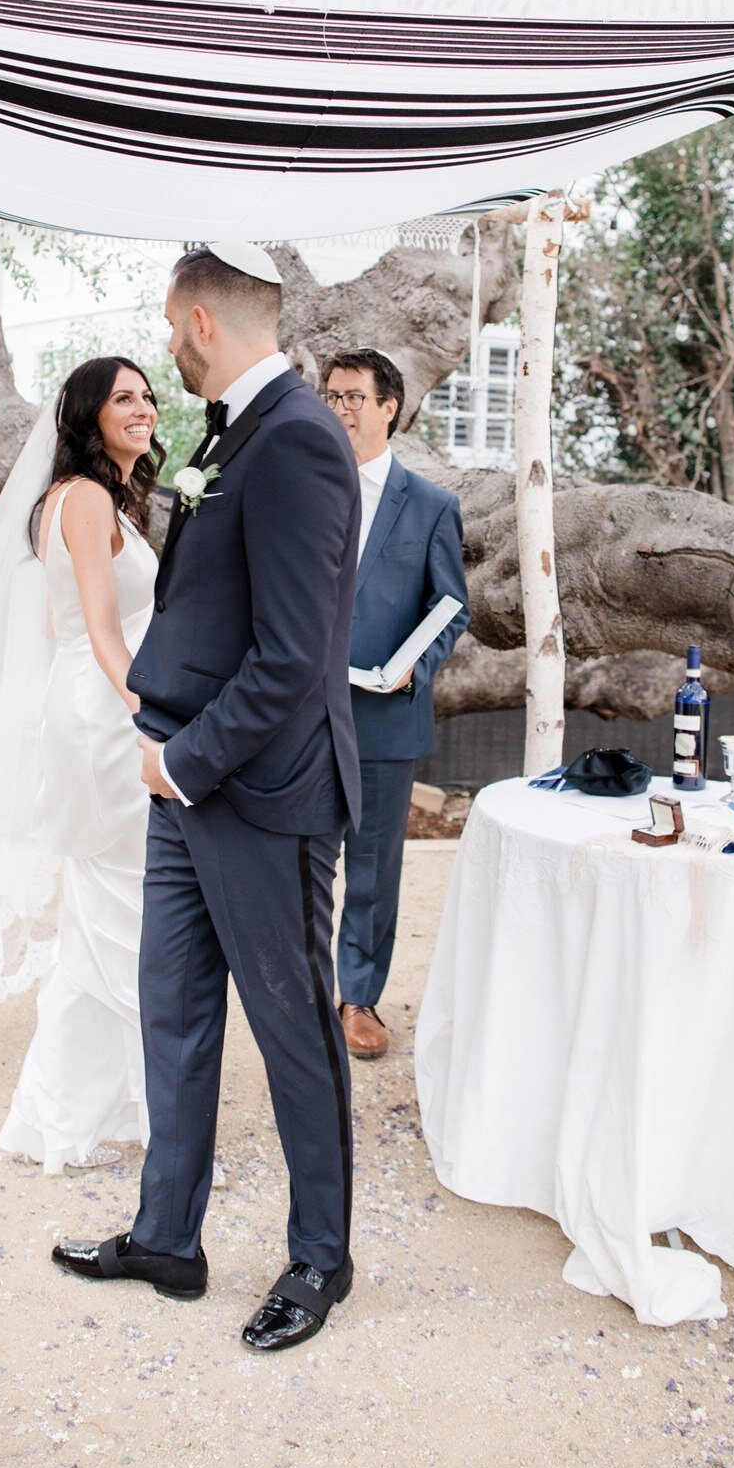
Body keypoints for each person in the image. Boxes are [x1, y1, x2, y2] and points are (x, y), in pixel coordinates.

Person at [53, 241, 362, 1354]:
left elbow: (291, 658)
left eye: (166, 328)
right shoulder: (233, 434)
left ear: (194, 321)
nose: (166, 344)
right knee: (173, 1011)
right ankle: (167, 1236)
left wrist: (184, 760)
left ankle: (321, 1257)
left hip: (261, 790)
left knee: (293, 1035)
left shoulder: (296, 443)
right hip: (186, 781)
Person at [0, 357, 161, 1170]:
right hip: (109, 719)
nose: (144, 407)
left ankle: (81, 1110)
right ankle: (93, 1110)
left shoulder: (92, 499)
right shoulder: (82, 500)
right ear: (87, 416)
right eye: (124, 398)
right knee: (124, 905)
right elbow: (100, 633)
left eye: (148, 395)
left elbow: (60, 633)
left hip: (91, 705)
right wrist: (152, 720)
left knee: (105, 913)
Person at [324, 348, 468, 1062]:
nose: (341, 408)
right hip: (299, 714)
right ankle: (296, 991)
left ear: (390, 408)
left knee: (373, 868)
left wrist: (412, 667)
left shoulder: (433, 505)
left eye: (354, 396)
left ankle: (359, 997)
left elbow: (451, 606)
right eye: (331, 395)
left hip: (385, 713)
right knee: (297, 860)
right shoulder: (301, 491)